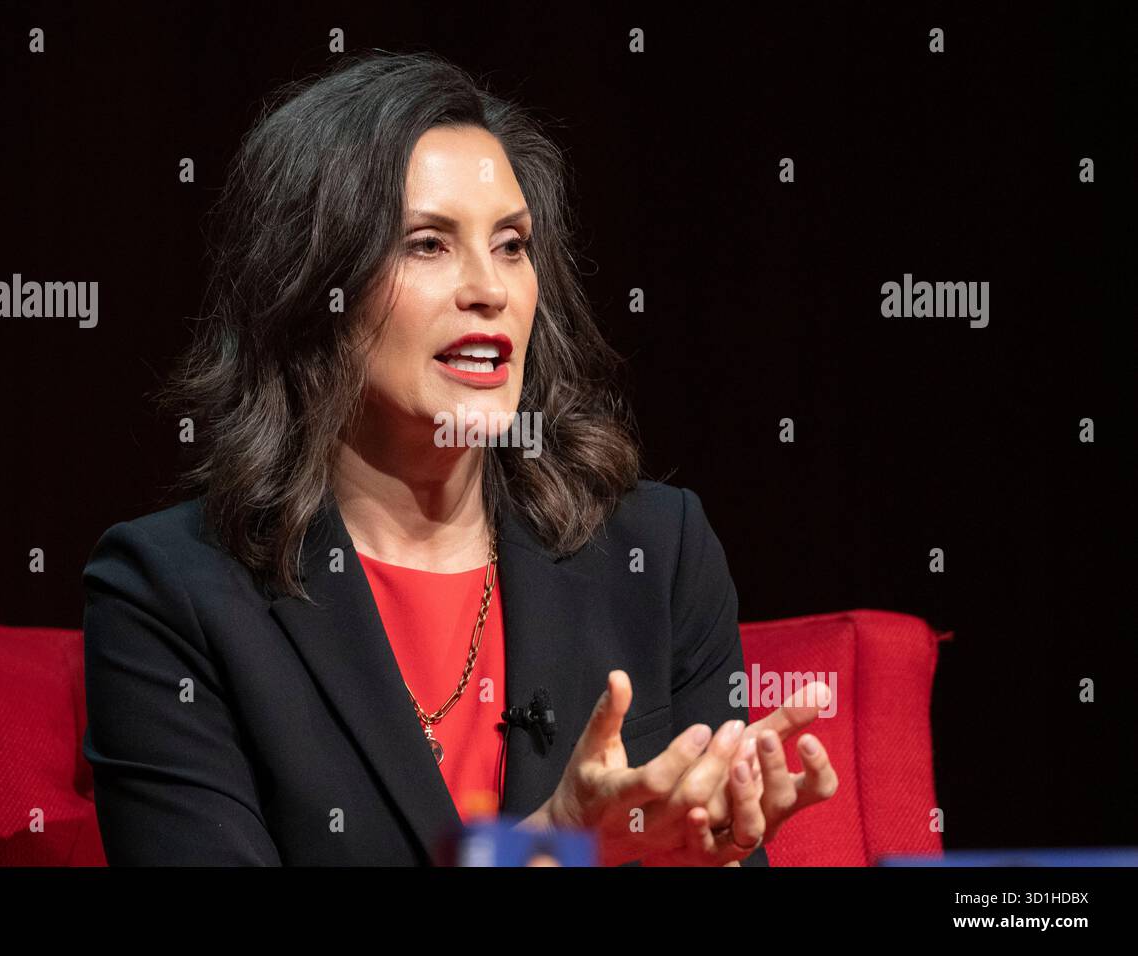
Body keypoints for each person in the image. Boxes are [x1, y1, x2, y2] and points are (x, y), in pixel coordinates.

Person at [81, 50, 837, 867]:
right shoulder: (167, 592)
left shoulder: (657, 554)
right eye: (427, 244)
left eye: (512, 245)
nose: (491, 289)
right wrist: (545, 852)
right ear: (312, 286)